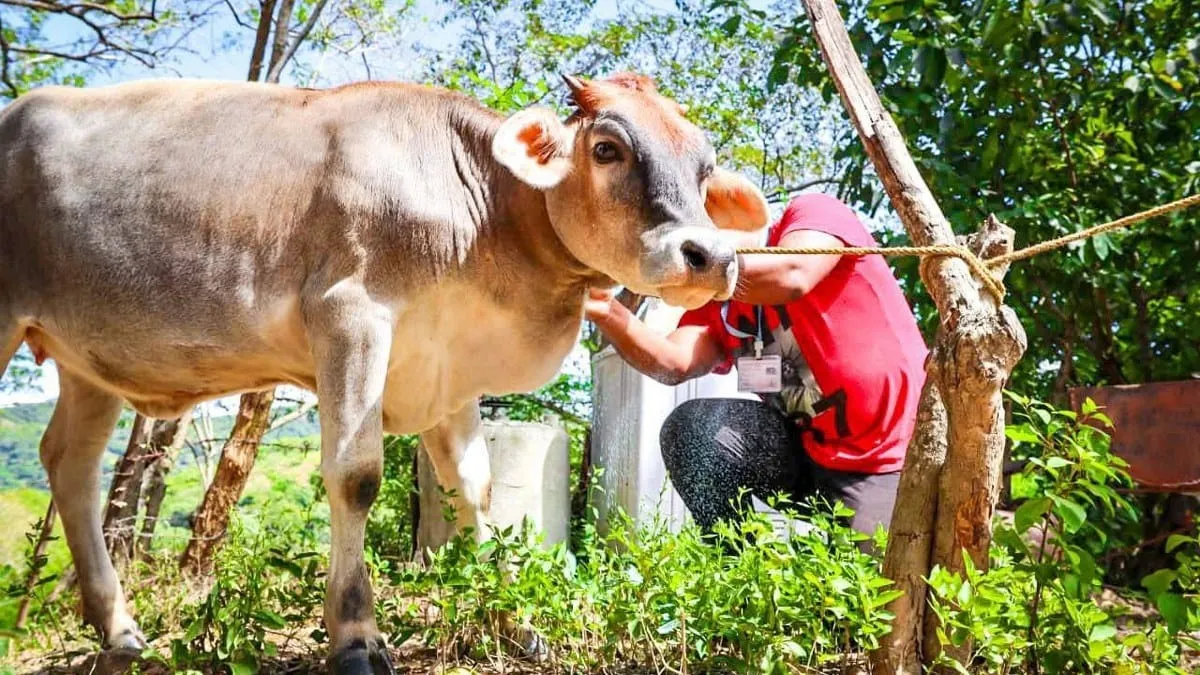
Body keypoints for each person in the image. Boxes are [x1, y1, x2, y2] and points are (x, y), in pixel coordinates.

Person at [585, 193, 928, 538]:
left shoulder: (813, 214)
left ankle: (817, 554)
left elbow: (793, 276)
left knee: (877, 585)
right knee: (691, 430)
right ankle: (735, 565)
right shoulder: (715, 307)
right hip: (807, 455)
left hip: (886, 462)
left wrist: (697, 267)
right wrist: (604, 310)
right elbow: (673, 364)